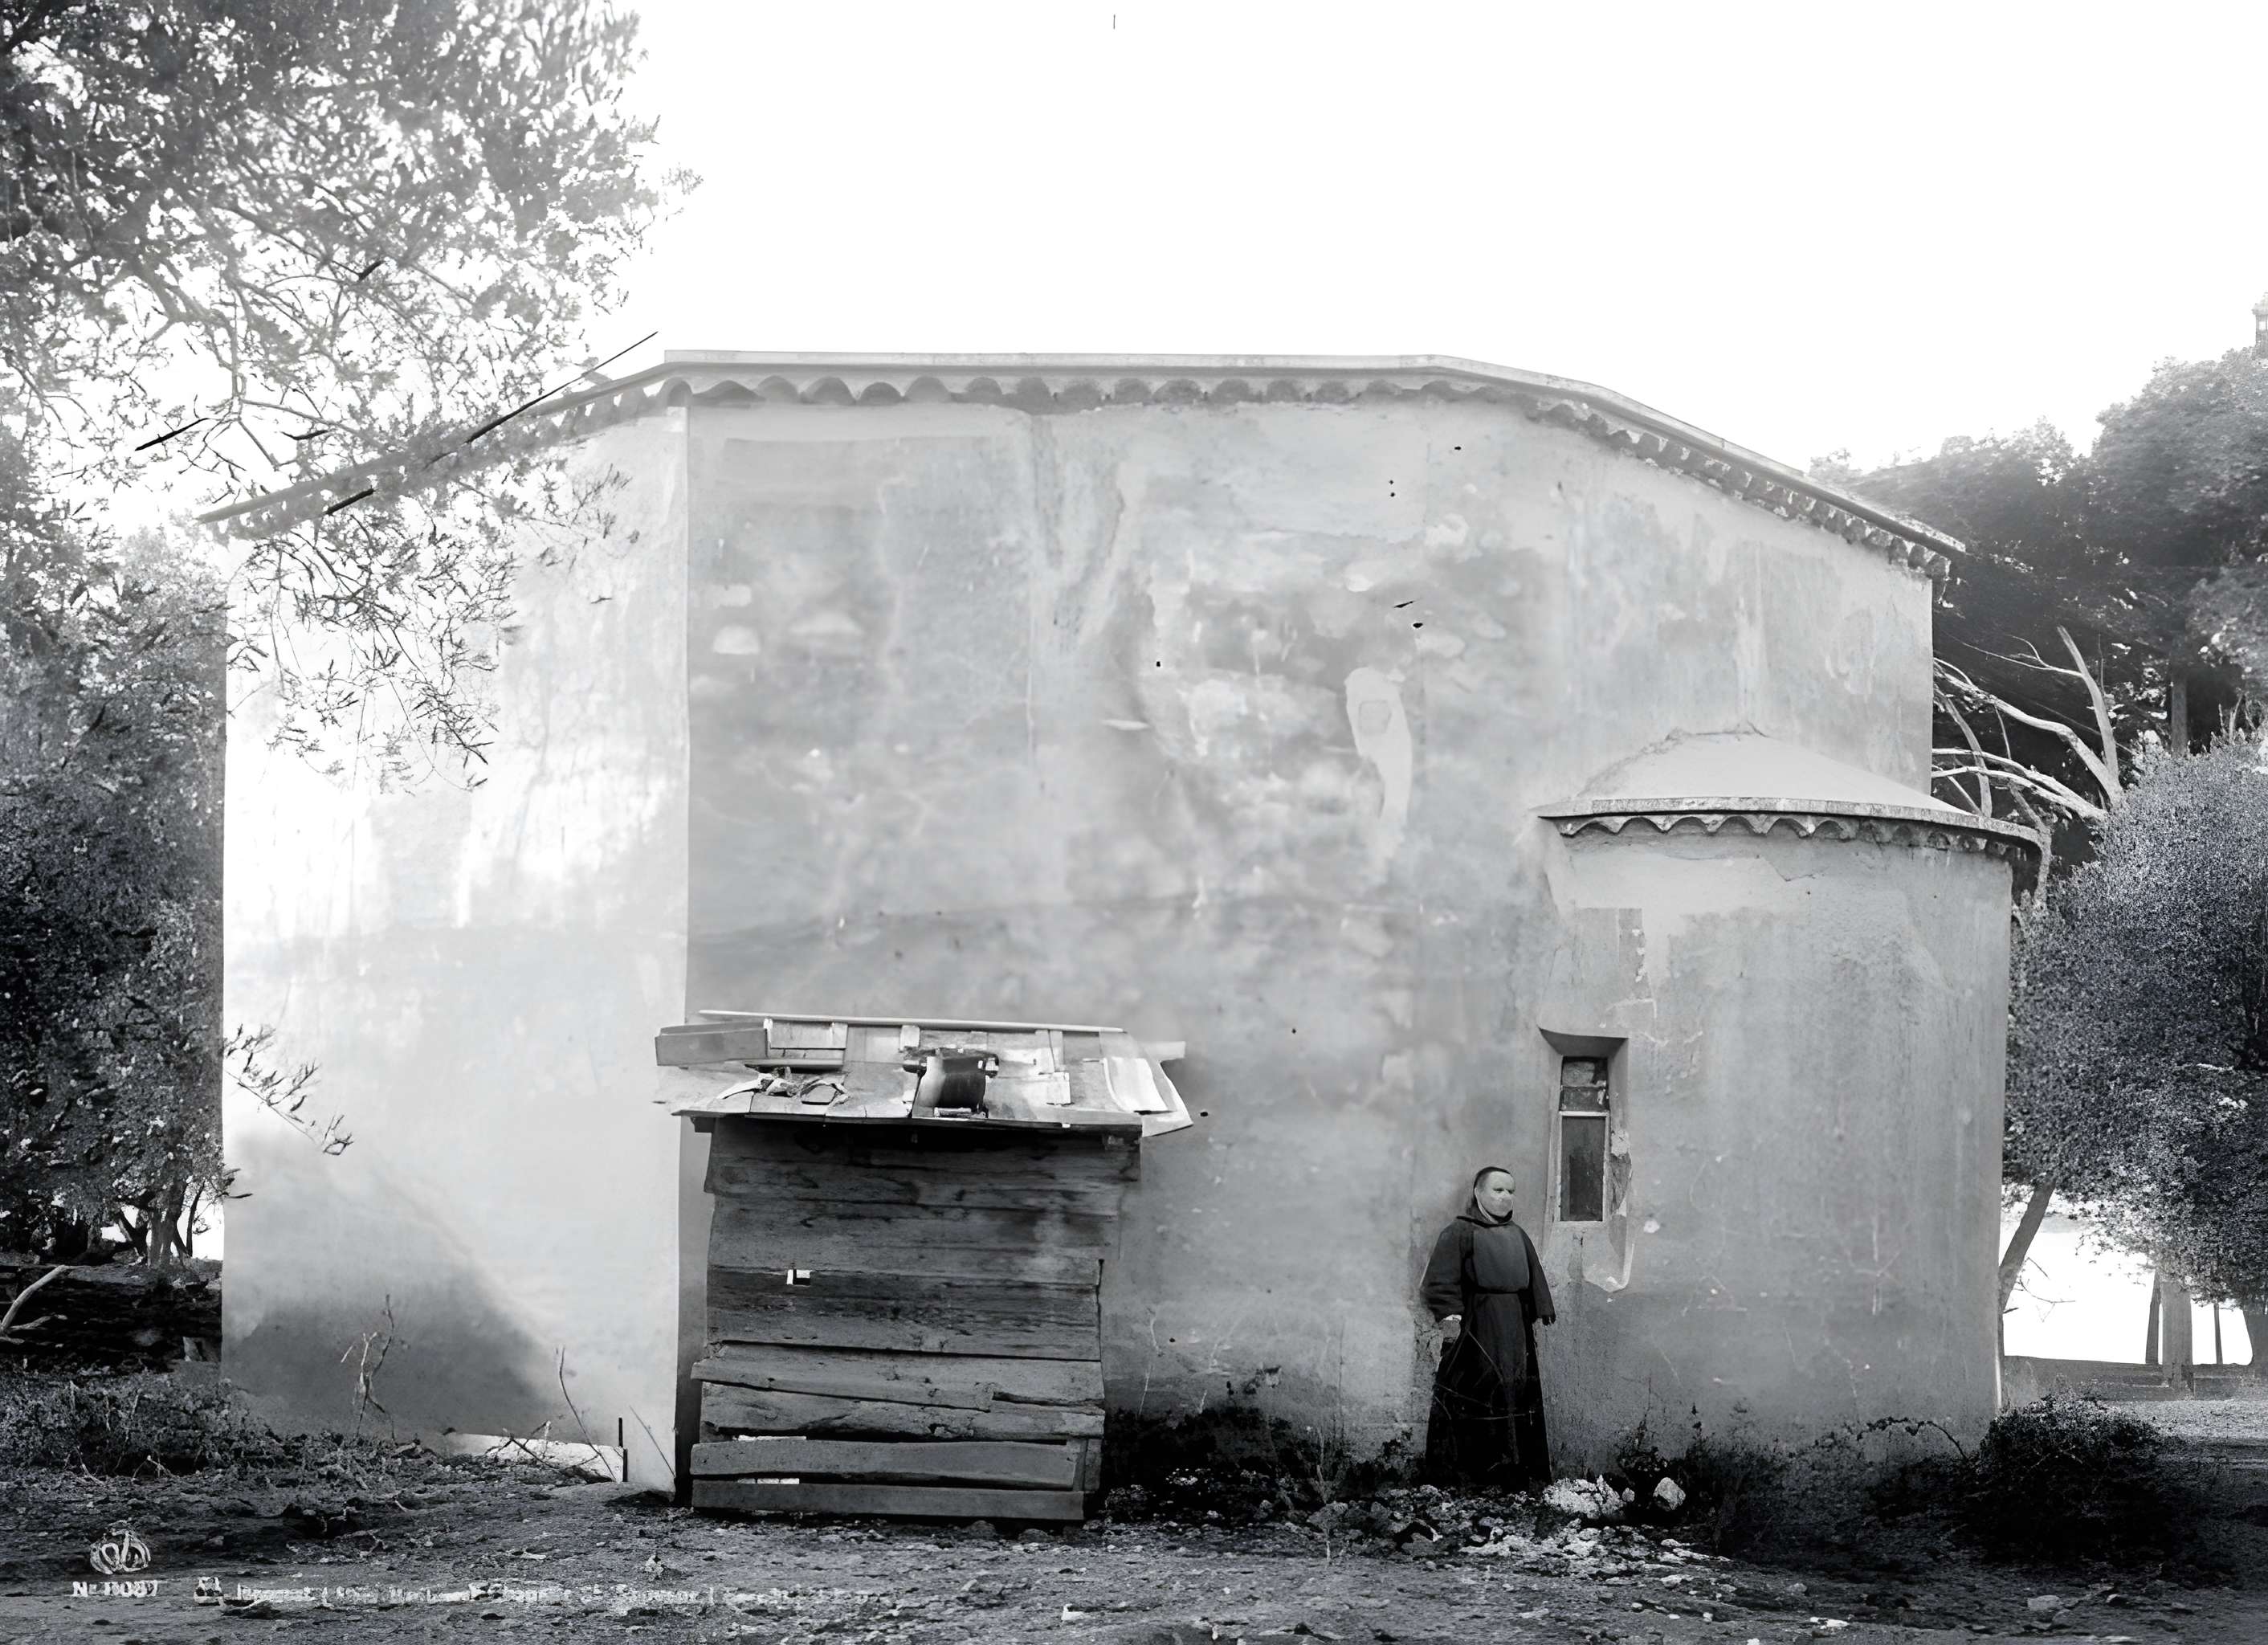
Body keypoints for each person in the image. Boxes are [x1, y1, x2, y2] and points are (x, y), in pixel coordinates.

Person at [1420, 1165, 1556, 1490]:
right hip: (1479, 1323)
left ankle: (1516, 1473)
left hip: (1516, 1325)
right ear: (1478, 1194)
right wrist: (1451, 1317)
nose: (1506, 1197)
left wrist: (1542, 1307)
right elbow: (1441, 1279)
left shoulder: (1517, 1234)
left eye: (1511, 1191)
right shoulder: (1460, 1232)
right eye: (1498, 1190)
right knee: (1481, 1392)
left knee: (1517, 1391)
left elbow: (1534, 1275)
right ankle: (1474, 1477)